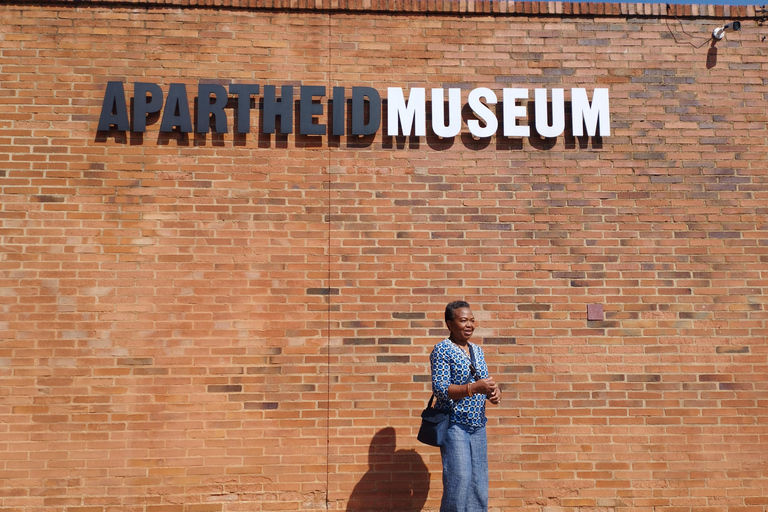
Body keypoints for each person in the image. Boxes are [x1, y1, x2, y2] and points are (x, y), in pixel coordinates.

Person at [430, 300, 501, 512]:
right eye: (463, 320)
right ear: (449, 324)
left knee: (479, 482)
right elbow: (440, 389)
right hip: (455, 425)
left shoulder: (477, 350)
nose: (469, 324)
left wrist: (493, 392)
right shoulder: (442, 350)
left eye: (471, 320)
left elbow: (484, 381)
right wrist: (473, 388)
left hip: (478, 425)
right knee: (459, 480)